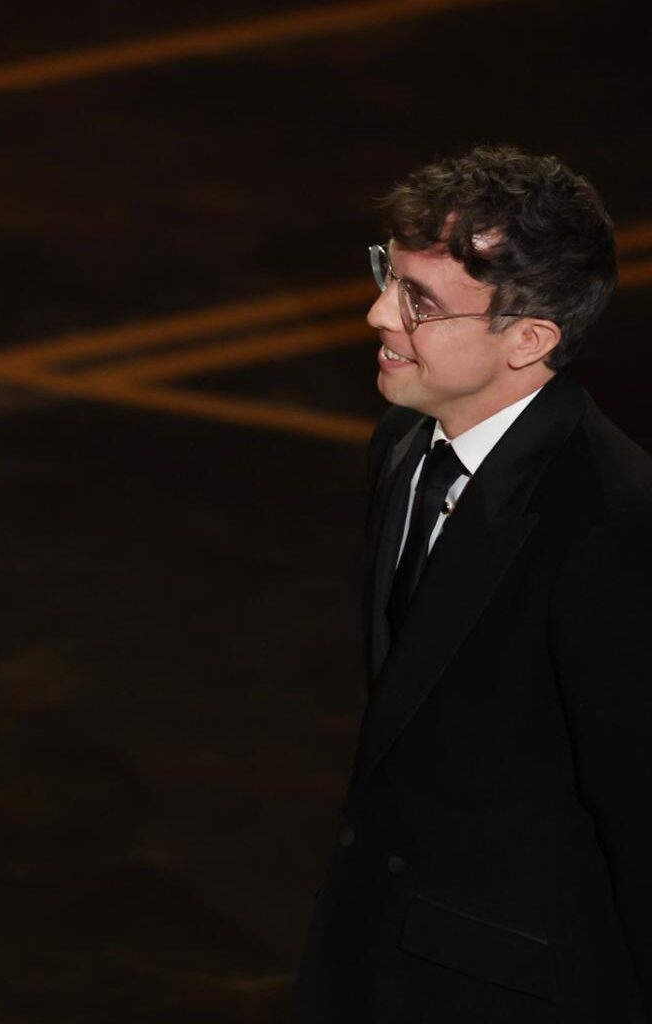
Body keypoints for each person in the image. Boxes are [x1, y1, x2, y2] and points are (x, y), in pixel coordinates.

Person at [294, 147, 652, 1020]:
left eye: (420, 301)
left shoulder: (613, 526)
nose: (379, 312)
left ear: (530, 339)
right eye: (389, 272)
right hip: (380, 957)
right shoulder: (407, 446)